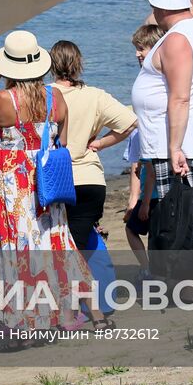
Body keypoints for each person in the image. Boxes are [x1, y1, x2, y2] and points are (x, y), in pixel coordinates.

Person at [0, 30, 90, 333]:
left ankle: (23, 317)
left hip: (13, 183)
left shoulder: (2, 100)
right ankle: (62, 313)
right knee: (50, 240)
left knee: (17, 244)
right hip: (47, 180)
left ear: (7, 66)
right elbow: (60, 142)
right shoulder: (56, 97)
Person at [49, 40, 137, 322]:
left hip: (58, 179)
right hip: (91, 179)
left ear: (50, 65)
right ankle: (98, 303)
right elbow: (130, 123)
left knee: (64, 245)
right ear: (79, 64)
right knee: (85, 240)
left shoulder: (45, 95)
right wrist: (100, 143)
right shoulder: (95, 95)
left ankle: (78, 310)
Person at [131, 0, 193, 218]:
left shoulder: (177, 38)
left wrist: (175, 147)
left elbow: (180, 97)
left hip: (174, 145)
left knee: (175, 221)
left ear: (160, 7)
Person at [122, 25, 163, 279]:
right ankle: (155, 270)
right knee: (155, 233)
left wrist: (138, 200)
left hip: (154, 185)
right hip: (152, 182)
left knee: (136, 228)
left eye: (142, 48)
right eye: (136, 49)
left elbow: (142, 164)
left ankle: (149, 269)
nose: (138, 54)